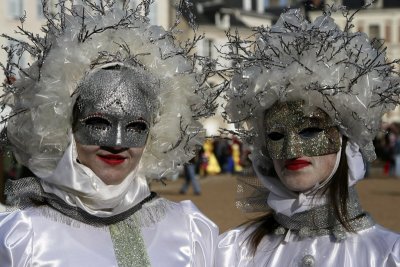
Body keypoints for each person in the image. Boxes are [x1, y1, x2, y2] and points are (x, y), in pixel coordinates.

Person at [0, 1, 218, 266]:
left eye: (136, 127)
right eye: (99, 123)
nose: (117, 143)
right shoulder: (22, 237)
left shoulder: (189, 231)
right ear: (67, 124)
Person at [216, 6, 400, 267]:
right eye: (277, 135)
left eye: (310, 130)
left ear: (345, 138)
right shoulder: (233, 253)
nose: (292, 149)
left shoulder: (386, 255)